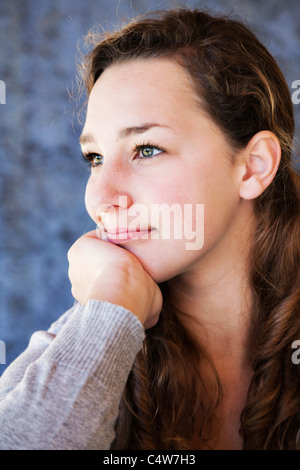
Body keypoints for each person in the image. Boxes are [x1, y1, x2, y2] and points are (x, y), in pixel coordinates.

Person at [0, 7, 299, 450]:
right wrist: (114, 297)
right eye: (95, 158)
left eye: (147, 149)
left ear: (253, 167)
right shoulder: (96, 328)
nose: (102, 200)